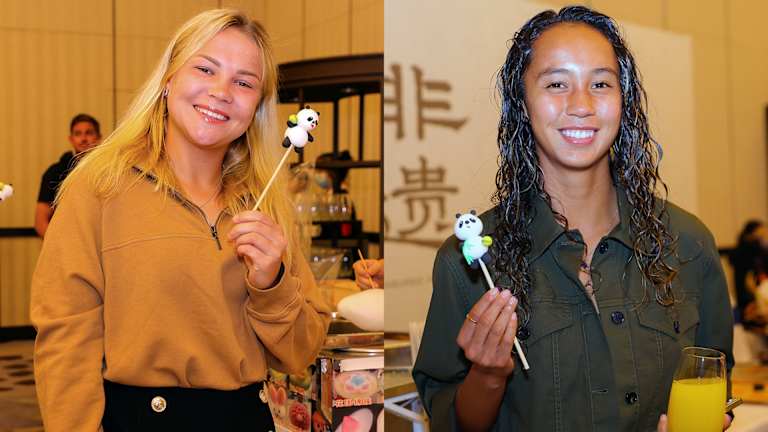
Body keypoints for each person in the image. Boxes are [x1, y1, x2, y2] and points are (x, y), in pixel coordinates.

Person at [412, 6, 734, 432]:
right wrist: (488, 375)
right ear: (522, 103)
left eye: (601, 83)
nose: (581, 105)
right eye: (556, 84)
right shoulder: (469, 264)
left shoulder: (688, 243)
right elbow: (452, 420)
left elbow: (714, 381)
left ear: (624, 101)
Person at [31, 9, 331, 432]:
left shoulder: (265, 204)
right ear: (169, 79)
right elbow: (66, 339)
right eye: (206, 69)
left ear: (257, 106)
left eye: (244, 82)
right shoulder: (98, 187)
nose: (222, 91)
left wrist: (271, 282)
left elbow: (301, 352)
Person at [35, 113, 101, 237]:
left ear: (98, 137)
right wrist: (58, 246)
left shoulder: (108, 171)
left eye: (89, 133)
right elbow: (40, 221)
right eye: (78, 134)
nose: (83, 138)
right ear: (71, 139)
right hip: (66, 241)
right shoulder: (55, 172)